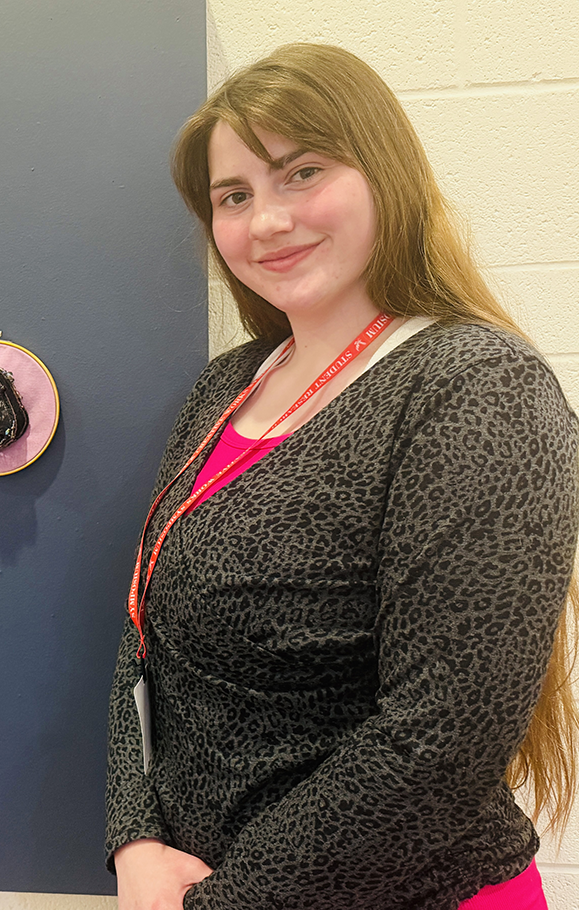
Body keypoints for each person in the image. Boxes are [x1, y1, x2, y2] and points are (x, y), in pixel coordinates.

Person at [105, 43, 579, 910]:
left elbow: (440, 743)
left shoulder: (475, 387)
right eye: (234, 196)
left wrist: (221, 904)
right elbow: (146, 638)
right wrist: (134, 839)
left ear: (385, 173)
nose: (268, 221)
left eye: (303, 173)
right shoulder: (228, 384)